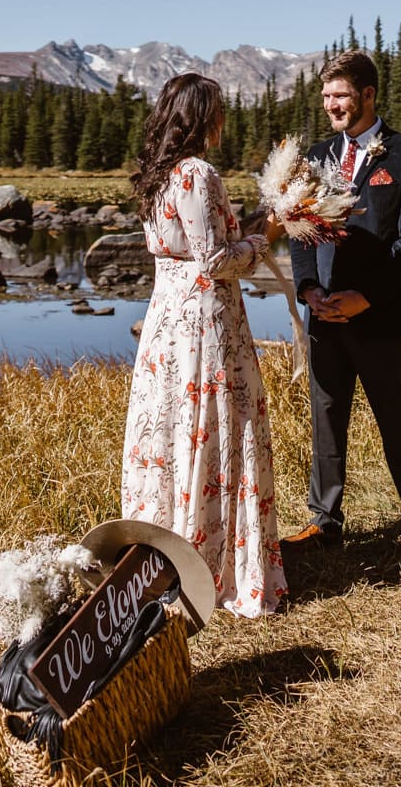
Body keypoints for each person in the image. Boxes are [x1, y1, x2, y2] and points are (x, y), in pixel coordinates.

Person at [121, 72, 288, 617]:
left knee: (172, 428)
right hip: (203, 322)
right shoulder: (197, 173)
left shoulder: (158, 174)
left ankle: (168, 555)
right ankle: (216, 567)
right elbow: (216, 262)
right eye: (217, 111)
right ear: (201, 118)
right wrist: (266, 238)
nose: (222, 121)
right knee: (216, 424)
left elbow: (187, 248)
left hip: (166, 317)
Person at [283, 49, 401, 569]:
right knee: (327, 419)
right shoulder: (316, 156)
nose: (332, 106)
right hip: (324, 315)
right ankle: (324, 523)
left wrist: (365, 296)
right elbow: (300, 231)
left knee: (397, 420)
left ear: (368, 95)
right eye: (326, 97)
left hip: (381, 315)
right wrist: (307, 288)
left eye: (341, 96)